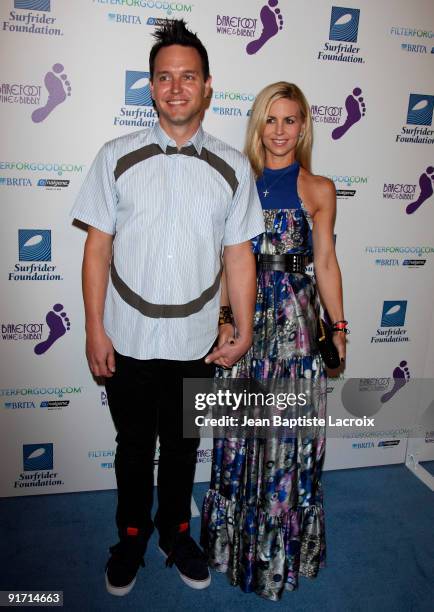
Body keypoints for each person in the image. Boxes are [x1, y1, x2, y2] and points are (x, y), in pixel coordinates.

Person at [70, 20, 265, 596]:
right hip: (126, 338)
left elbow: (238, 256)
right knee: (133, 450)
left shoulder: (232, 166)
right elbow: (97, 247)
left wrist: (244, 326)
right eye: (164, 77)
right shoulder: (114, 157)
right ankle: (130, 537)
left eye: (188, 77)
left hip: (196, 343)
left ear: (208, 86)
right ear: (150, 88)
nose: (176, 87)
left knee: (181, 449)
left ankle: (176, 533)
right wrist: (94, 328)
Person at [201, 82, 347, 601]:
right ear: (258, 125)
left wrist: (340, 326)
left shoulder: (320, 189)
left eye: (290, 121)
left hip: (299, 325)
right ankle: (230, 547)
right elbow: (229, 260)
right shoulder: (238, 182)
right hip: (248, 317)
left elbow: (325, 262)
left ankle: (280, 550)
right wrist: (225, 318)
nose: (280, 131)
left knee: (287, 439)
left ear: (304, 126)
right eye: (271, 120)